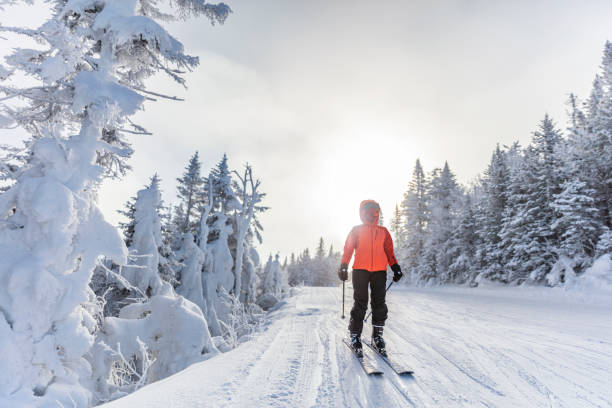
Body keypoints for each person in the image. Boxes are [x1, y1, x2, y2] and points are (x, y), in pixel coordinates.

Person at [338, 200, 403, 357]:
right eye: (368, 212)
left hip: (380, 271)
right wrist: (344, 265)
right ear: (362, 213)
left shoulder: (383, 232)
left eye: (375, 212)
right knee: (360, 303)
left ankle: (377, 337)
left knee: (379, 303)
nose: (372, 214)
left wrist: (395, 267)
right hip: (360, 270)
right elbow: (348, 249)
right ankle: (355, 336)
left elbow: (389, 252)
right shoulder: (356, 230)